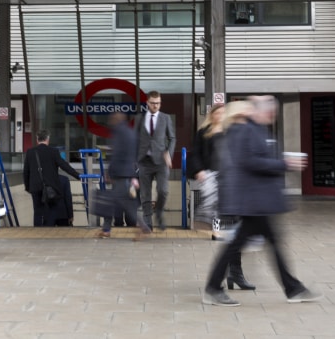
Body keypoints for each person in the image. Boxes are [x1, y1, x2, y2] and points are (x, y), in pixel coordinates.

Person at [203, 95, 321, 306]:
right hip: (253, 200)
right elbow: (249, 161)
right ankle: (213, 288)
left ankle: (293, 288)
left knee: (259, 242)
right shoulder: (244, 130)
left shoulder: (257, 129)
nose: (272, 114)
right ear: (257, 111)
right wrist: (284, 164)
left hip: (259, 200)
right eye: (269, 110)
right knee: (242, 245)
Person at [190, 102, 255, 291]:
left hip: (231, 182)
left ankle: (235, 273)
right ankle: (231, 272)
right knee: (222, 219)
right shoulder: (204, 133)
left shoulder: (230, 132)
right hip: (212, 178)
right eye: (217, 113)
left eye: (223, 113)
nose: (220, 116)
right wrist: (199, 171)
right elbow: (196, 154)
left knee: (235, 228)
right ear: (212, 115)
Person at [96, 112, 151, 241]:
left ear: (116, 119)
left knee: (124, 204)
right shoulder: (131, 133)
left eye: (112, 119)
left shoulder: (119, 133)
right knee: (114, 202)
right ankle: (106, 229)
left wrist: (109, 171)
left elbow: (116, 154)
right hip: (128, 173)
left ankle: (142, 227)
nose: (110, 121)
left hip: (121, 174)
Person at [135, 90, 176, 231]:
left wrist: (169, 154)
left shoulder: (166, 118)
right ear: (147, 103)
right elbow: (135, 139)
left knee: (163, 191)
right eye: (153, 103)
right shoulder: (139, 118)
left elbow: (172, 138)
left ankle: (159, 212)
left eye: (158, 103)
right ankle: (148, 221)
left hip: (161, 162)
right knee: (145, 194)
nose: (155, 106)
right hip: (144, 161)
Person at [23, 129, 81, 227]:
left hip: (35, 187)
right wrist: (78, 176)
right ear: (47, 139)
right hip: (51, 188)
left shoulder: (30, 152)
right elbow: (64, 165)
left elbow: (26, 172)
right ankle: (48, 229)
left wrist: (28, 187)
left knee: (38, 211)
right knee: (51, 211)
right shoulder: (53, 151)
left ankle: (37, 231)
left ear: (37, 139)